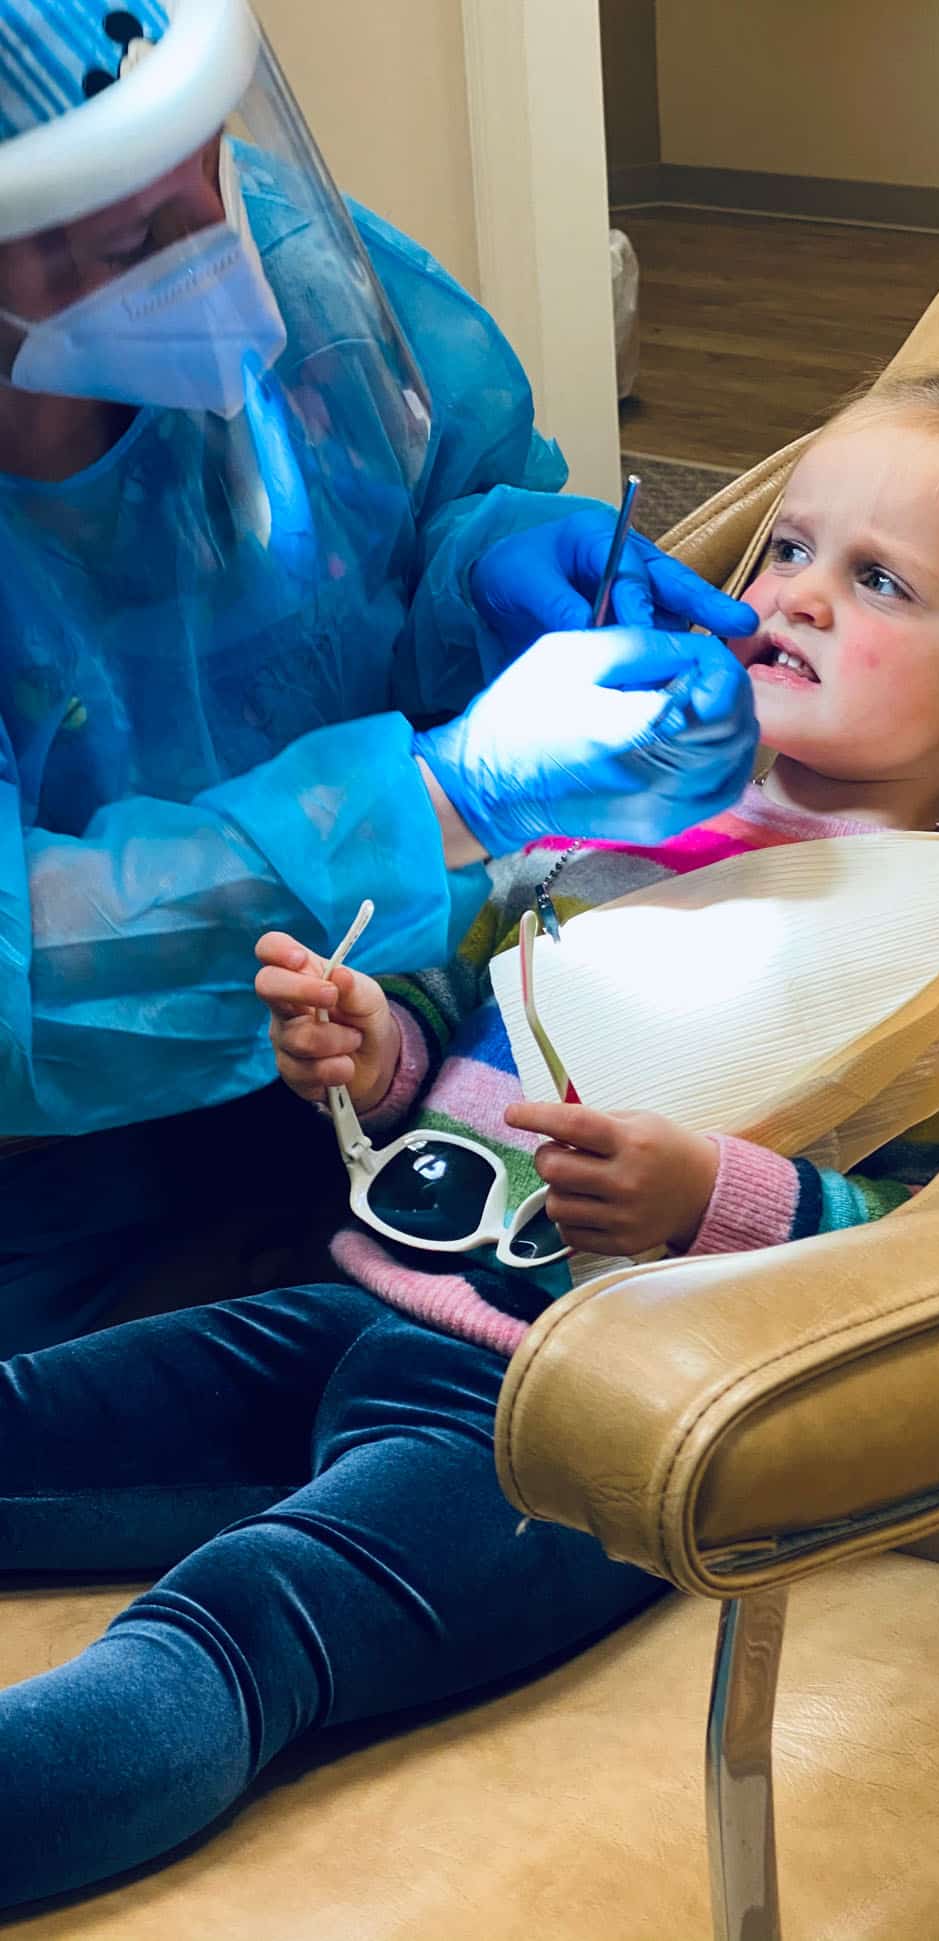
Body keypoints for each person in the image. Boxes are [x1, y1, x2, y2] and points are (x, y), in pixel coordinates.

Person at [0, 367, 939, 1906]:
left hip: (559, 1435)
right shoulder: (640, 816)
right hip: (363, 1308)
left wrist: (706, 1195)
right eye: (787, 547)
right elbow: (471, 1048)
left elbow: (931, 1236)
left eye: (881, 580)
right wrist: (373, 1049)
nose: (794, 595)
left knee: (238, 1631)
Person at [0, 0, 758, 1352]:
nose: (221, 260)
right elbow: (25, 983)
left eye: (206, 160)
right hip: (56, 1180)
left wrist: (490, 561)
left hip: (378, 1045)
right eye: (126, 243)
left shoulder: (299, 269)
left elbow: (406, 506)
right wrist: (445, 797)